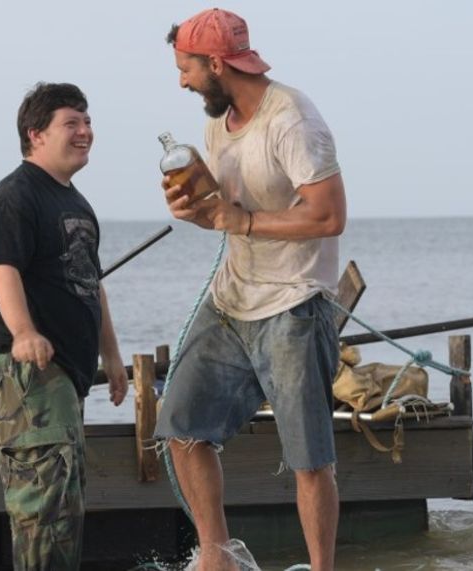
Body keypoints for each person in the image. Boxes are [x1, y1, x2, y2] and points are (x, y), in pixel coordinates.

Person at [153, 8, 347, 570]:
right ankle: (219, 558)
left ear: (216, 63)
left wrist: (242, 224)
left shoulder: (292, 119)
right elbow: (224, 211)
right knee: (181, 425)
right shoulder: (218, 124)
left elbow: (329, 216)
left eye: (186, 68)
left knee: (310, 460)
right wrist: (198, 212)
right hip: (231, 297)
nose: (182, 81)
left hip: (294, 303)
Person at [0, 81, 128, 571]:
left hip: (65, 376)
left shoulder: (76, 203)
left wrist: (113, 358)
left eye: (87, 122)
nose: (85, 132)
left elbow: (91, 285)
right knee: (42, 507)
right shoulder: (15, 196)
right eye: (71, 123)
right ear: (36, 134)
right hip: (27, 375)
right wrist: (23, 333)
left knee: (65, 502)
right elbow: (3, 269)